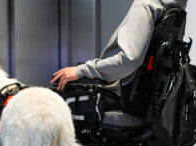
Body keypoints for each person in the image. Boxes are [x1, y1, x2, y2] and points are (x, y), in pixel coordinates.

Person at [51, 0, 188, 91]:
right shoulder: (175, 11)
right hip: (146, 99)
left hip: (118, 93)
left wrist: (81, 70)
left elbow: (130, 60)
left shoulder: (146, 6)